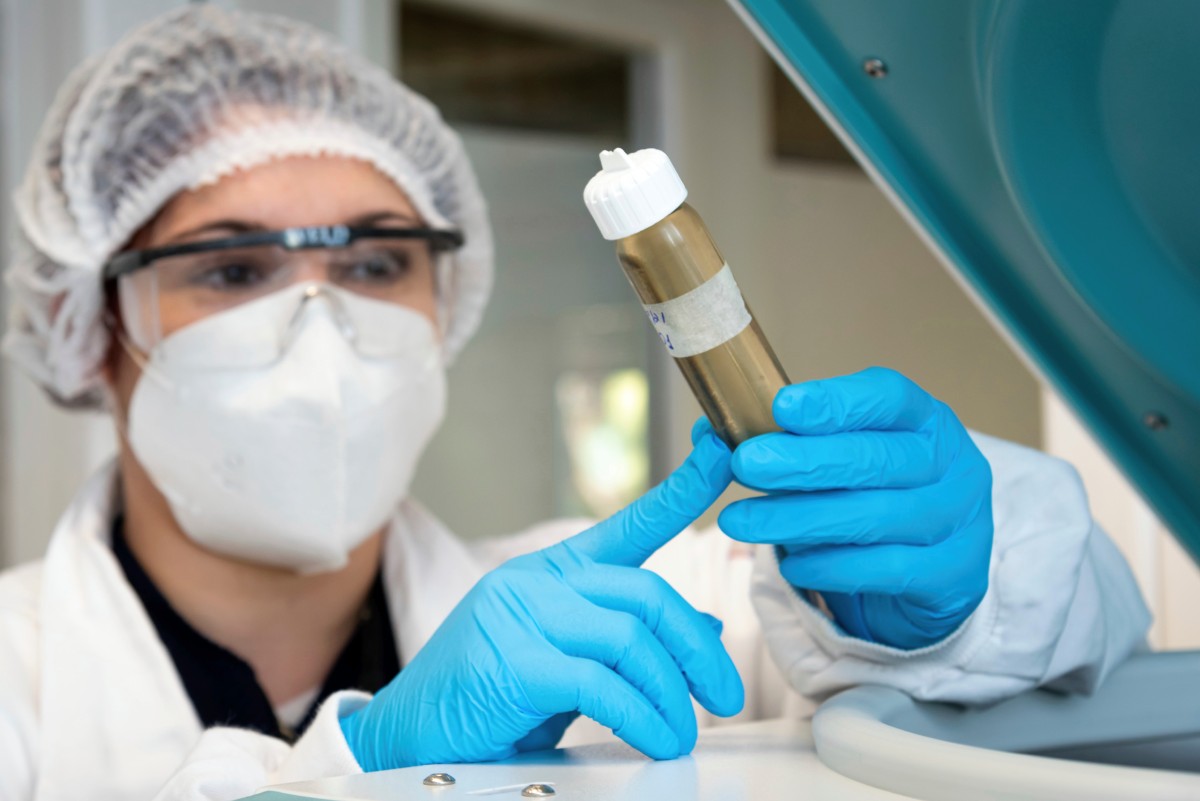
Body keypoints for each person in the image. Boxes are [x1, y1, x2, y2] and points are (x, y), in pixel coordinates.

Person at [0, 7, 1150, 801]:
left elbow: (1071, 652)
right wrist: (367, 763)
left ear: (443, 305)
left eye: (373, 264)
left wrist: (946, 594)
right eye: (233, 271)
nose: (321, 331)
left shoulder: (636, 618)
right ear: (89, 332)